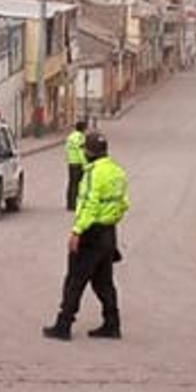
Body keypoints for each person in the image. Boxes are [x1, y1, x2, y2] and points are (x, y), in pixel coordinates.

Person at [44, 132, 128, 341]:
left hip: (90, 233)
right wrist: (111, 220)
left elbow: (90, 205)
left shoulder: (92, 174)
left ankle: (63, 325)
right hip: (108, 233)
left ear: (89, 152)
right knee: (104, 282)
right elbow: (124, 203)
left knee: (75, 280)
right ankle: (112, 324)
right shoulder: (118, 172)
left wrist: (77, 231)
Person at [64, 120, 89, 211]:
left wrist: (68, 159)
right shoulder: (80, 137)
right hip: (78, 163)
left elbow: (66, 148)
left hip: (71, 162)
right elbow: (81, 151)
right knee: (79, 184)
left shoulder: (70, 136)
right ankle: (75, 204)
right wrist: (85, 163)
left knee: (71, 184)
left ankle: (70, 203)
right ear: (83, 129)